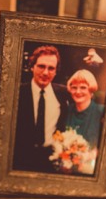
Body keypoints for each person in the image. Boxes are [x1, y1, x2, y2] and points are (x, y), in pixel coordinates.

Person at [13, 45, 71, 173]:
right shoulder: (17, 92)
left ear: (56, 71)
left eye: (51, 68)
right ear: (32, 66)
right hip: (20, 159)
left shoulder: (63, 93)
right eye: (41, 66)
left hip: (52, 160)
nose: (45, 72)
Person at [64, 69, 104, 148]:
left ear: (91, 90)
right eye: (74, 87)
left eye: (83, 87)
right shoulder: (66, 111)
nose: (78, 92)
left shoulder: (101, 112)